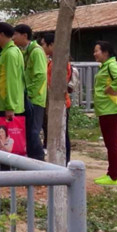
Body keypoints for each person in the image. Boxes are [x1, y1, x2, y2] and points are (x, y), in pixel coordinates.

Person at [92, 40, 117, 186]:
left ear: (106, 52)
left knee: (112, 144)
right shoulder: (105, 66)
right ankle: (111, 174)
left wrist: (111, 88)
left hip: (111, 109)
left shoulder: (111, 65)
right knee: (110, 144)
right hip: (106, 109)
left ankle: (113, 176)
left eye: (97, 51)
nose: (94, 54)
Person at [13, 24, 47, 161]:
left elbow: (40, 75)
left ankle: (39, 160)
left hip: (35, 99)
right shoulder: (25, 51)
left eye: (15, 35)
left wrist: (31, 93)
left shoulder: (36, 52)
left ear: (24, 36)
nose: (13, 38)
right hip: (28, 97)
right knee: (28, 130)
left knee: (33, 131)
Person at [40, 32, 73, 163]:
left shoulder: (60, 62)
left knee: (62, 135)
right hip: (54, 102)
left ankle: (65, 162)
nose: (42, 47)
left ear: (52, 44)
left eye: (43, 44)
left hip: (60, 102)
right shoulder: (52, 61)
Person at [0, 22, 25, 122]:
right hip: (5, 104)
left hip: (5, 105)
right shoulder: (11, 51)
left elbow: (12, 80)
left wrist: (10, 106)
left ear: (1, 35)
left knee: (4, 136)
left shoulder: (10, 54)